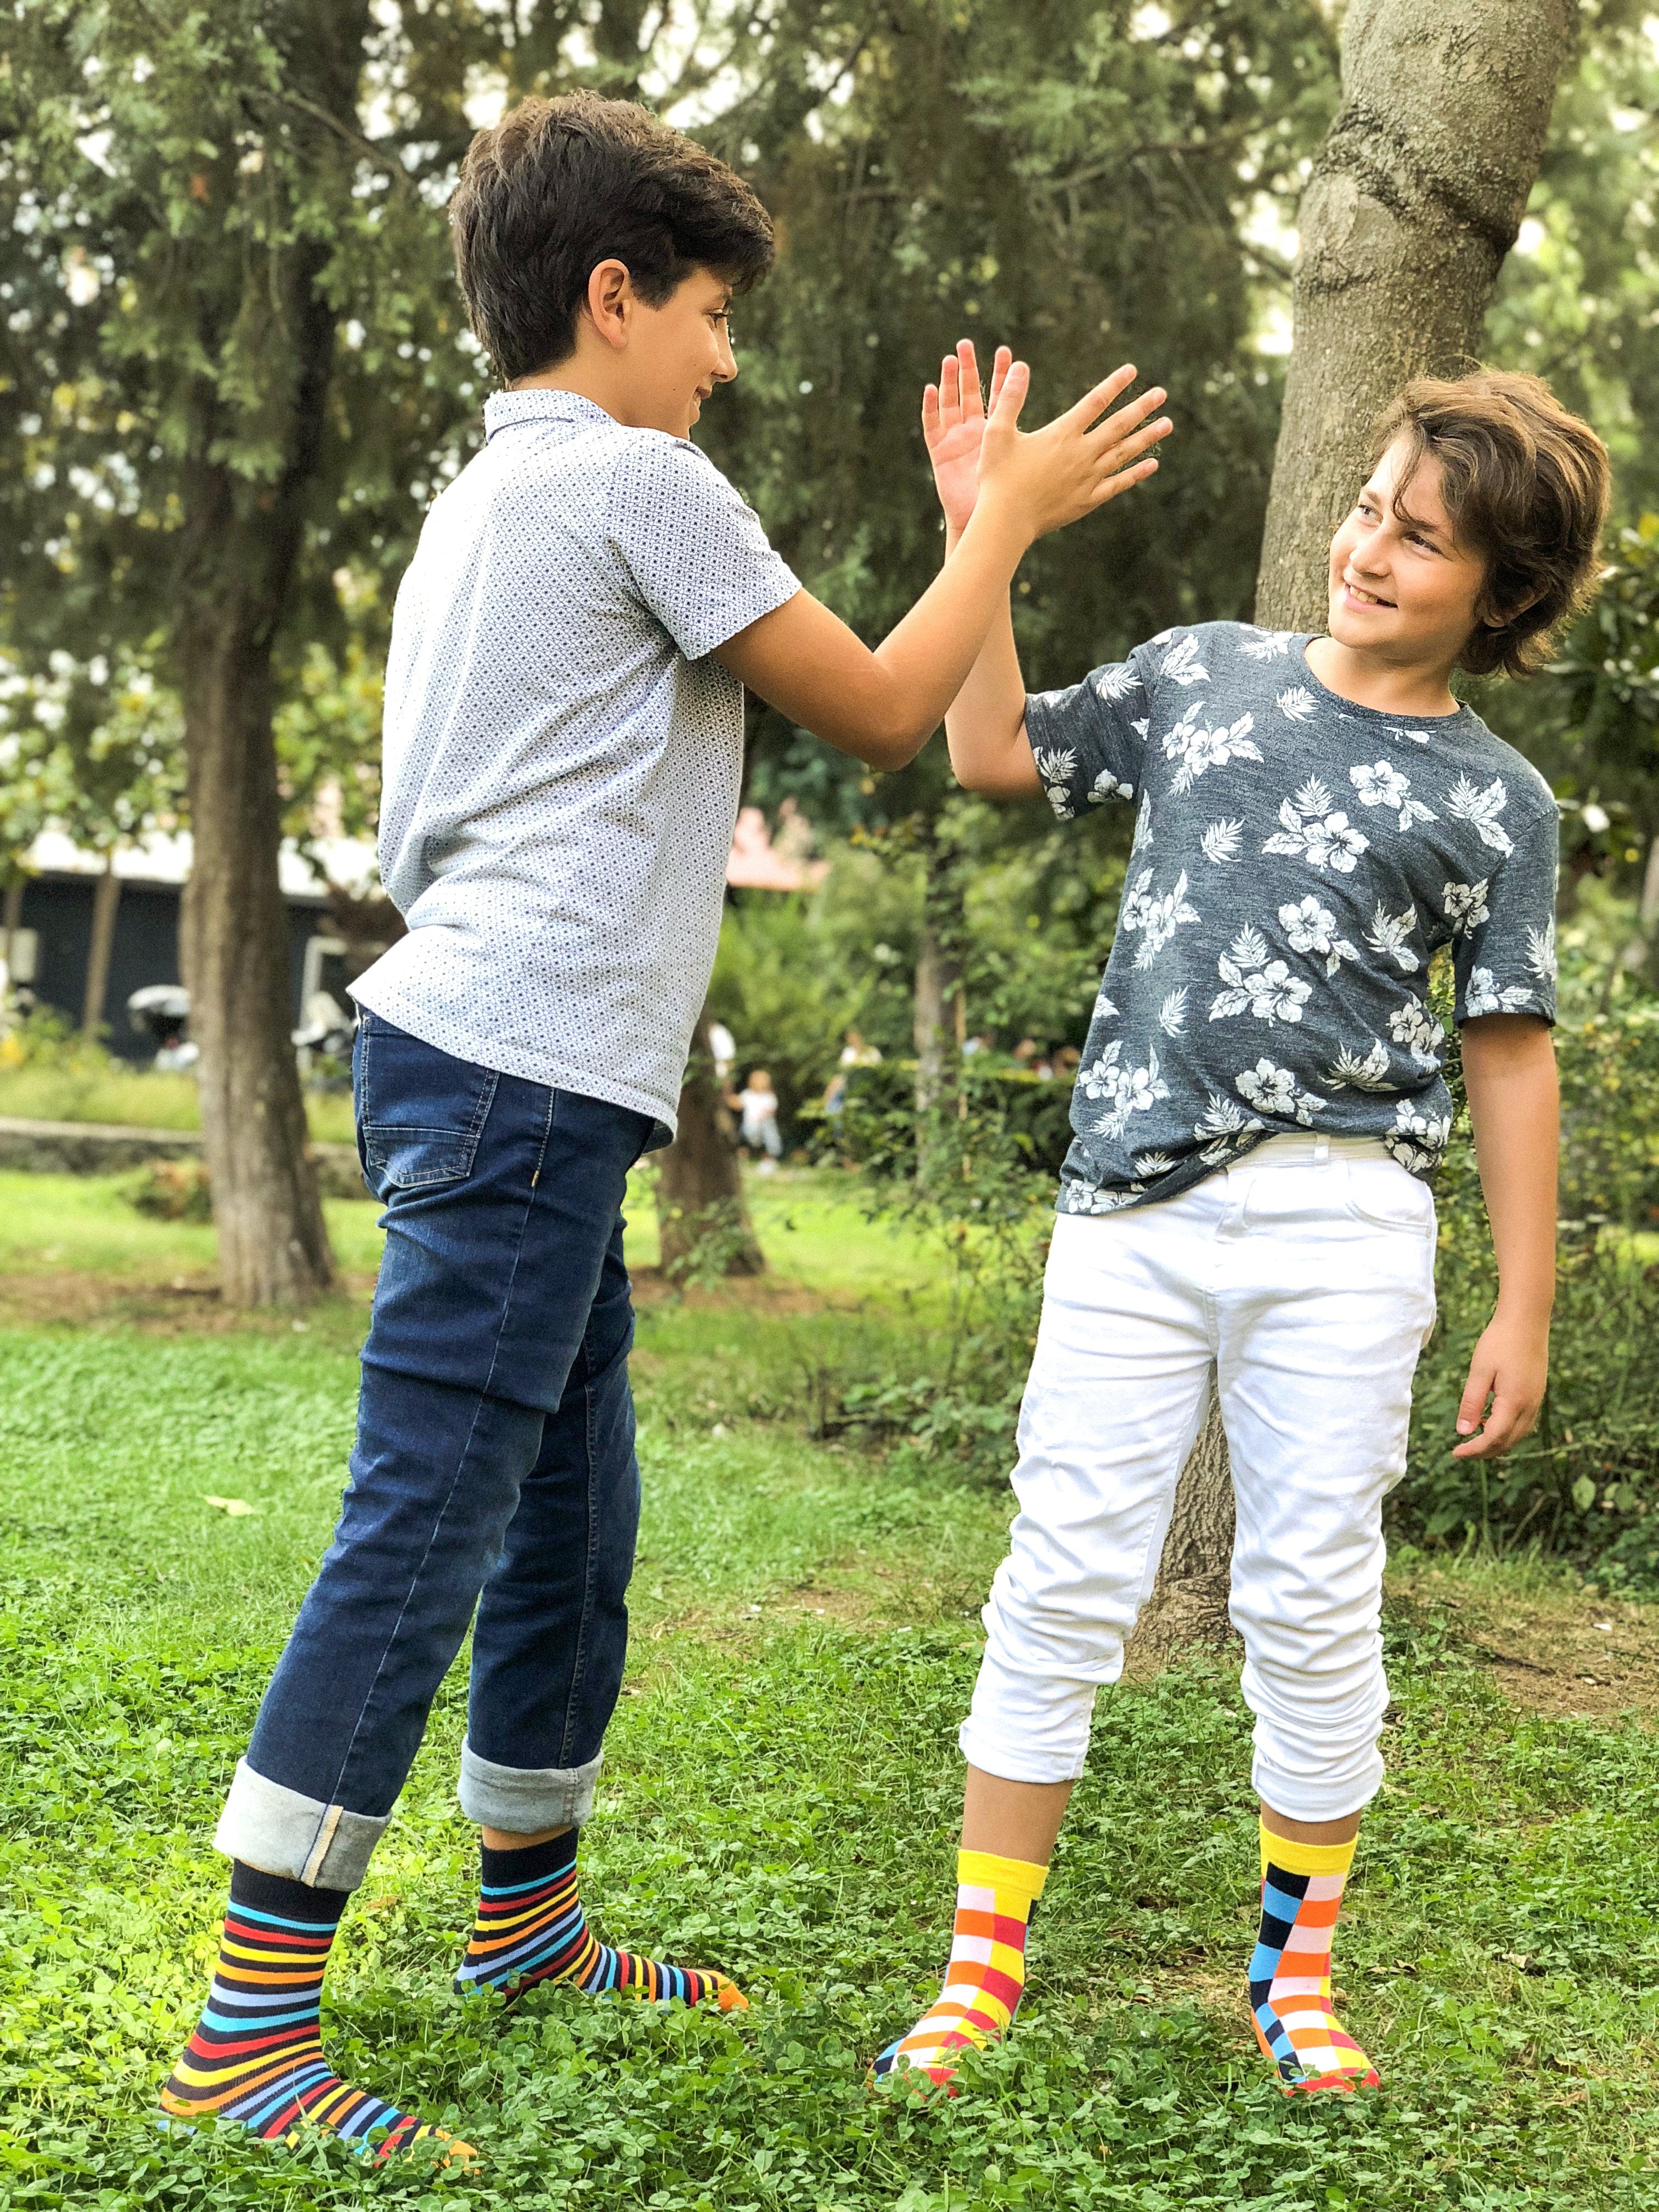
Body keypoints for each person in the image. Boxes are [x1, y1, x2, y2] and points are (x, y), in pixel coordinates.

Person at [158, 99, 1171, 2163]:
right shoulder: (637, 477)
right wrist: (998, 522)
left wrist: (974, 521)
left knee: (571, 1519)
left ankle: (523, 1927)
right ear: (611, 296)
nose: (723, 359)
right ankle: (246, 2031)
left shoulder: (490, 493)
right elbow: (881, 716)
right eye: (709, 315)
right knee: (430, 1522)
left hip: (504, 1072)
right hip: (520, 1075)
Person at [871, 345, 1607, 2100]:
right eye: (1368, 509)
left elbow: (1510, 1052)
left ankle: (1296, 1981)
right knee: (1063, 1574)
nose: (1369, 549)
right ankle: (978, 1975)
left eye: (1420, 538)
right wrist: (984, 538)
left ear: (1500, 593)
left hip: (1348, 1231)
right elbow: (992, 752)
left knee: (1314, 1599)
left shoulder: (1497, 804)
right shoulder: (1204, 674)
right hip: (1129, 1213)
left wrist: (1524, 1306)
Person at [729, 1065, 783, 1167]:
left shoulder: (769, 1096)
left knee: (769, 1136)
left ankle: (769, 1160)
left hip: (764, 1127)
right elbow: (737, 1105)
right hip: (749, 1127)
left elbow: (771, 1111)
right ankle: (742, 1160)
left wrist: (761, 1118)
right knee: (744, 1140)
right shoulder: (747, 1094)